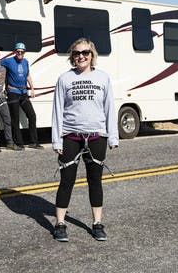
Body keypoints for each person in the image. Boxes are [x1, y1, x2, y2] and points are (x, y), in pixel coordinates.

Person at [51, 38, 119, 242]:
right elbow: (57, 111)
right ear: (72, 57)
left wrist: (112, 136)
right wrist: (57, 140)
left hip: (97, 137)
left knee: (95, 181)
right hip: (71, 137)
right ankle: (60, 224)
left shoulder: (103, 78)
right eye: (76, 53)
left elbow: (109, 109)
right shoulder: (64, 79)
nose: (81, 56)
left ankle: (97, 223)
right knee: (66, 182)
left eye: (85, 53)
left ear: (92, 55)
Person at [0, 42, 42, 150]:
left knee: (32, 116)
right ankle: (19, 143)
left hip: (23, 93)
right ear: (14, 52)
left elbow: (27, 75)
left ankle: (34, 142)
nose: (19, 53)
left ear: (24, 53)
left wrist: (32, 88)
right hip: (13, 92)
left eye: (22, 52)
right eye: (18, 51)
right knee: (15, 118)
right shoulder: (8, 61)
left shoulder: (25, 62)